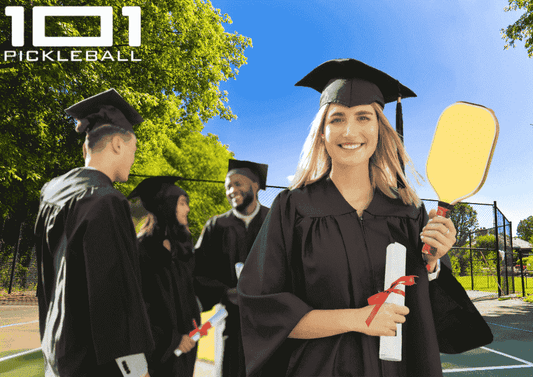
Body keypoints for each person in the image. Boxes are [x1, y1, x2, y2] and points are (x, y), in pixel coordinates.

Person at [237, 59, 493, 377]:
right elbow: (262, 310)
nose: (350, 131)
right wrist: (359, 318)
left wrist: (432, 265)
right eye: (337, 119)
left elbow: (429, 320)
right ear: (321, 133)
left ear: (379, 129)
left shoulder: (407, 212)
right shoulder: (293, 208)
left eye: (363, 117)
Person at [34, 89, 154, 377]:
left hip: (58, 352)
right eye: (133, 149)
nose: (133, 159)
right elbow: (114, 296)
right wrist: (137, 370)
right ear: (116, 144)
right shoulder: (106, 201)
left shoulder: (53, 191)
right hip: (92, 364)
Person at [194, 159, 270, 377]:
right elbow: (198, 272)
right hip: (233, 320)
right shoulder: (216, 227)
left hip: (269, 319)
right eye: (228, 186)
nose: (231, 190)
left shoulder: (275, 221)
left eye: (238, 184)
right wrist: (225, 292)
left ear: (255, 185)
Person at [128, 176, 201, 377]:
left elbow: (189, 295)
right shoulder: (142, 250)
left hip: (186, 350)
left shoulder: (182, 248)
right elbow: (139, 310)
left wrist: (193, 329)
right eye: (182, 203)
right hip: (158, 355)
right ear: (166, 205)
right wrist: (173, 339)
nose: (187, 209)